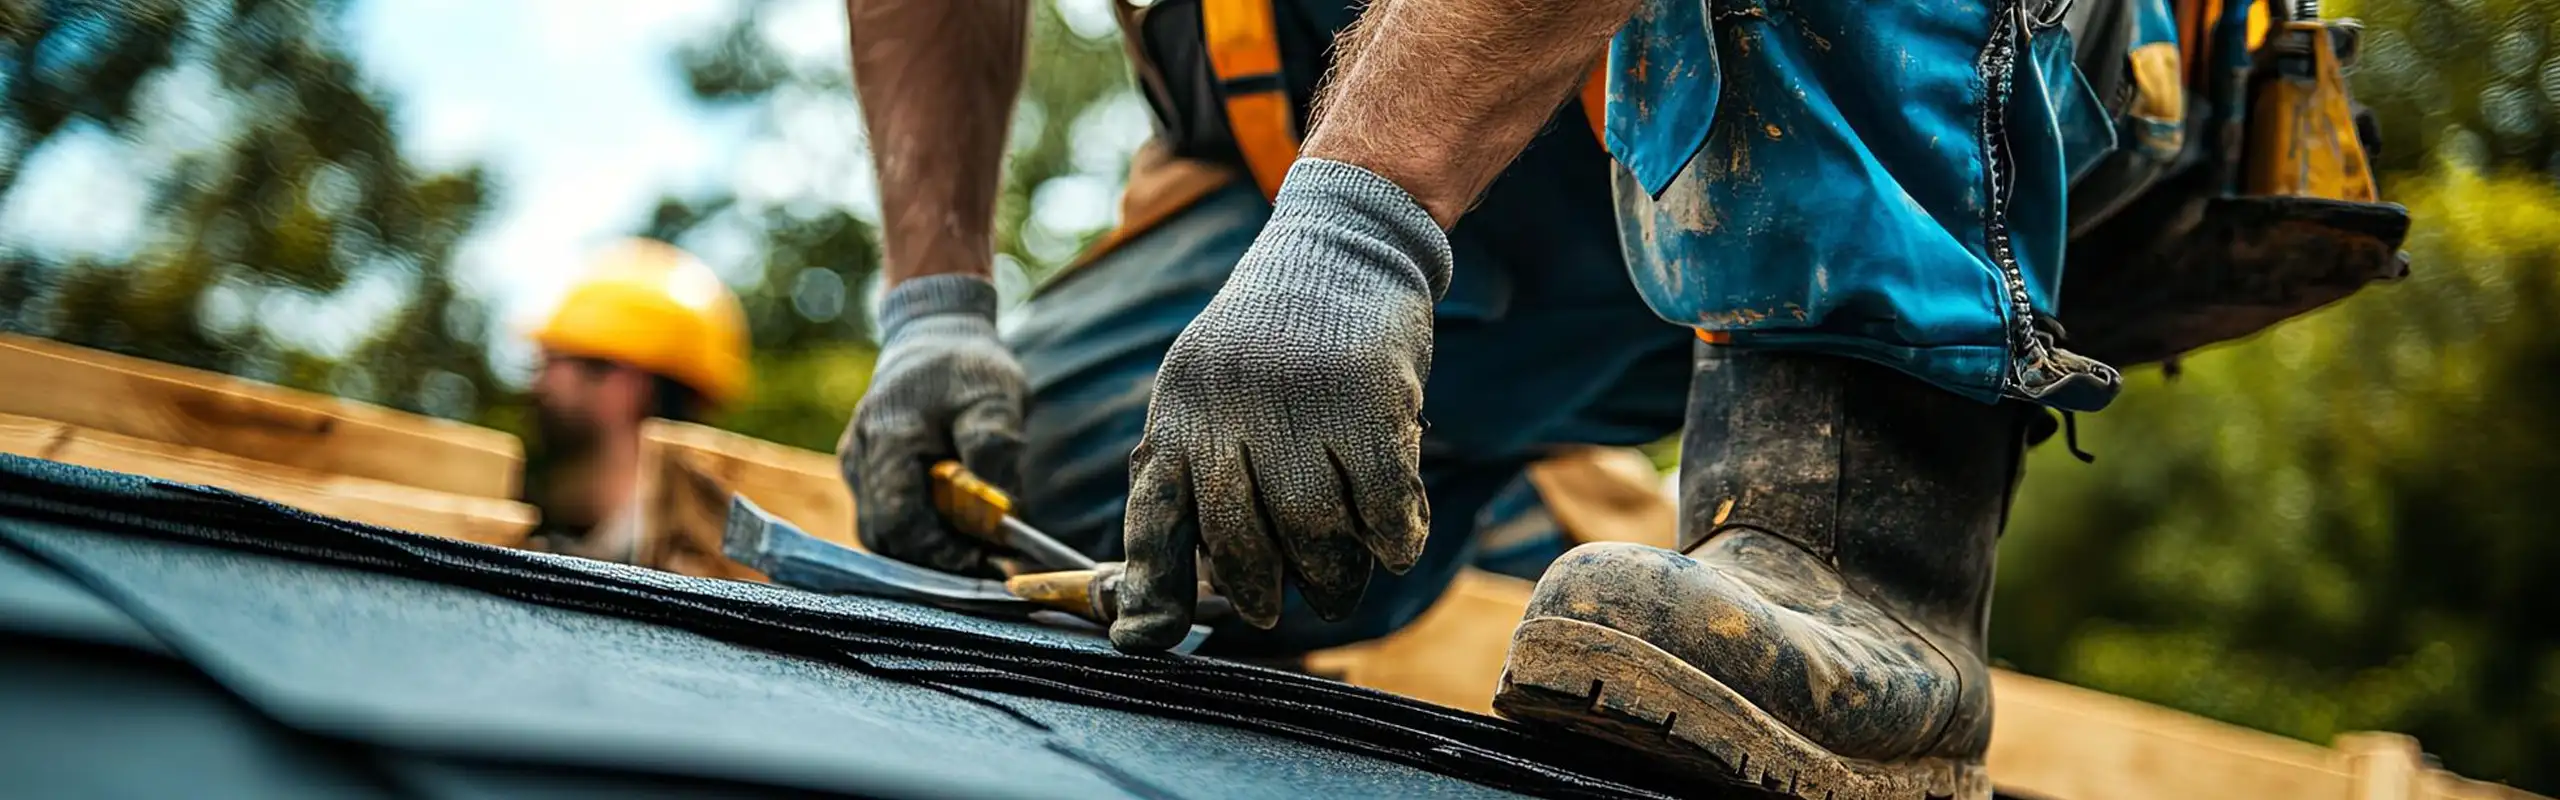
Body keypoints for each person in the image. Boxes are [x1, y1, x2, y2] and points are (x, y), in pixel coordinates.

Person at [834, 1, 1694, 658]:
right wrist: (934, 308)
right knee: (1058, 501)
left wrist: (1359, 224)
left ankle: (1796, 475)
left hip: (1719, 177)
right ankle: (1498, 494)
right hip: (1288, 169)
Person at [519, 238, 751, 567]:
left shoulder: (699, 573)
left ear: (623, 383)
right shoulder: (575, 544)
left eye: (551, 361)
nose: (535, 385)